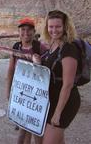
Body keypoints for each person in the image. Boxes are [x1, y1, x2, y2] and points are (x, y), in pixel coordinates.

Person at [38, 10, 81, 144]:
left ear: (65, 27)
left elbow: (68, 84)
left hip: (64, 104)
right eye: (51, 26)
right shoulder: (53, 44)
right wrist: (38, 61)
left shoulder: (69, 48)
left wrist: (57, 113)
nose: (54, 30)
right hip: (51, 101)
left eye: (58, 26)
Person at [7, 17, 47, 144]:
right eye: (23, 30)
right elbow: (11, 70)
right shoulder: (16, 46)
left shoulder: (40, 47)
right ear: (19, 32)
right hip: (21, 93)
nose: (26, 33)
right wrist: (8, 92)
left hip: (36, 96)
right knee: (23, 127)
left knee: (35, 130)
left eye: (29, 30)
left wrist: (39, 64)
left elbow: (47, 72)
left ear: (34, 31)